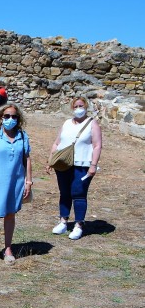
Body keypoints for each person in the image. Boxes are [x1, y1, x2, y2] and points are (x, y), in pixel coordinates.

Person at [0, 103, 32, 266]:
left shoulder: (23, 136)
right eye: (6, 116)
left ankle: (8, 248)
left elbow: (27, 159)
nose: (10, 119)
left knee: (10, 214)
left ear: (18, 118)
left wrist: (28, 180)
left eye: (14, 116)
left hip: (15, 182)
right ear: (0, 118)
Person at [46, 98, 102, 240]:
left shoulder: (92, 124)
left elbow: (97, 145)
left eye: (81, 106)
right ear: (72, 108)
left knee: (78, 193)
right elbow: (57, 143)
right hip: (64, 163)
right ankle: (63, 221)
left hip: (82, 164)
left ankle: (78, 225)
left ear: (86, 107)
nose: (78, 108)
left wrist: (93, 165)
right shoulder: (66, 123)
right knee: (64, 193)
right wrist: (50, 160)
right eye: (76, 106)